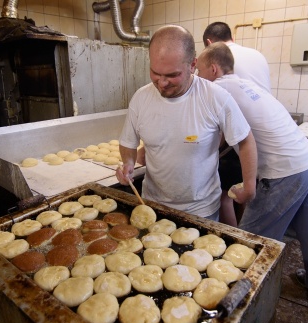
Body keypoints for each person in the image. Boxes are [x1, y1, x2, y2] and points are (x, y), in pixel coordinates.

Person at [196, 42, 308, 303]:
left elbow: (219, 135)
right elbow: (226, 133)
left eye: (199, 71)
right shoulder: (244, 84)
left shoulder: (216, 89)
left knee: (248, 245)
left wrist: (248, 187)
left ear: (213, 69)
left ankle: (240, 306)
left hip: (284, 175)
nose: (198, 77)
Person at [115, 25, 258, 221]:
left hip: (201, 210)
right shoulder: (141, 99)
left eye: (172, 75)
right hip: (152, 206)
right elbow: (128, 142)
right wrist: (128, 163)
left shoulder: (215, 97)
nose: (162, 83)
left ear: (192, 65)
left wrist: (250, 186)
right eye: (156, 73)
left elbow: (245, 141)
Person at [203, 21, 271, 226]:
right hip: (263, 139)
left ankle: (233, 239)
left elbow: (223, 115)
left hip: (241, 140)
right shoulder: (256, 55)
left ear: (208, 42)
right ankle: (240, 228)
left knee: (224, 196)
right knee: (240, 194)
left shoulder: (218, 61)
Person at [202, 21, 271, 93]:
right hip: (270, 102)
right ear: (232, 39)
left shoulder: (219, 59)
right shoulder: (258, 54)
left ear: (209, 43)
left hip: (242, 104)